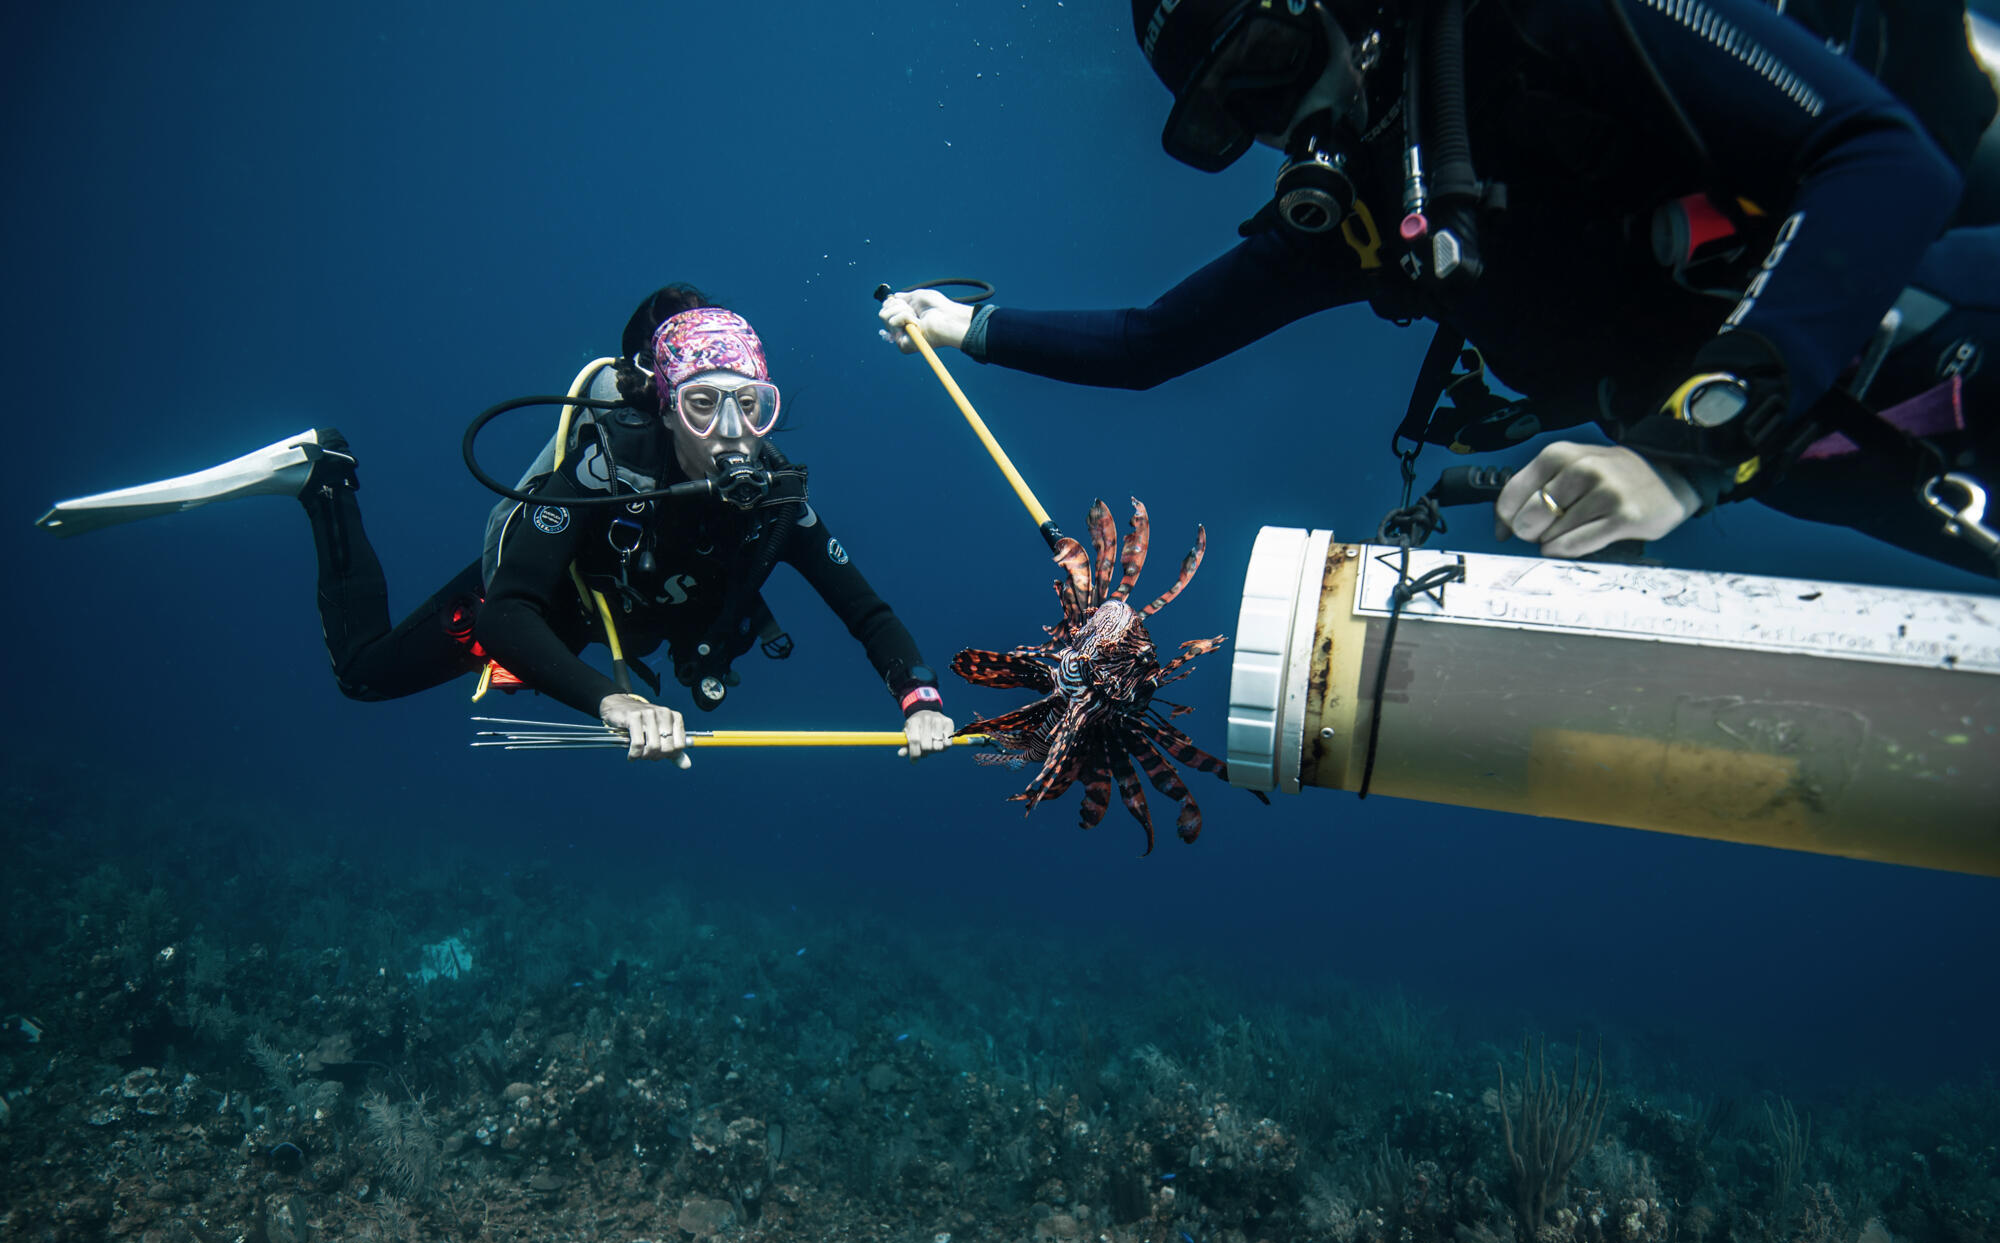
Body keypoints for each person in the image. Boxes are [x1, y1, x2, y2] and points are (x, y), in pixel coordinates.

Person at [878, 0, 2000, 575]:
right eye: (1237, 113)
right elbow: (1151, 342)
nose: (1284, 120)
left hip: (1941, 335)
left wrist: (1682, 455)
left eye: (1270, 62)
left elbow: (1886, 160)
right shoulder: (1361, 215)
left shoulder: (1541, 22)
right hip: (1830, 459)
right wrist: (968, 327)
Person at [36, 291, 956, 763]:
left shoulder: (774, 503)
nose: (731, 433)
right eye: (705, 403)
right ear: (666, 405)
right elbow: (510, 606)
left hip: (613, 639)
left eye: (751, 404)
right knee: (363, 675)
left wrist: (919, 701)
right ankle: (325, 479)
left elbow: (867, 612)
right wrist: (612, 698)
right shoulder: (598, 475)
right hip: (547, 614)